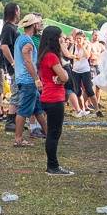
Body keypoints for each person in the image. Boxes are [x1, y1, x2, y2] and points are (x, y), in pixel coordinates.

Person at [37, 26, 73, 175]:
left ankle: (52, 165)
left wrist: (60, 77)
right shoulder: (51, 56)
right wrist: (62, 76)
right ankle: (53, 166)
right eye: (61, 37)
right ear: (54, 39)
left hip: (48, 96)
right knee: (54, 133)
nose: (63, 40)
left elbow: (59, 77)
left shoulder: (44, 55)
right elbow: (65, 77)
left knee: (52, 132)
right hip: (54, 98)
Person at [12, 14, 47, 147]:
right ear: (34, 25)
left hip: (23, 79)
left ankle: (48, 133)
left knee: (37, 109)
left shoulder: (20, 38)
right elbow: (28, 62)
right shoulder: (27, 42)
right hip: (28, 80)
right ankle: (18, 139)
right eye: (38, 23)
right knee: (24, 110)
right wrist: (36, 79)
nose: (40, 25)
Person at [0, 3, 20, 132]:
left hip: (18, 64)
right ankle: (10, 121)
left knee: (19, 92)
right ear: (15, 11)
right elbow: (4, 46)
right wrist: (13, 62)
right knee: (16, 92)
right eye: (19, 10)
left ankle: (17, 120)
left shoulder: (13, 27)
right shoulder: (8, 27)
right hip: (15, 65)